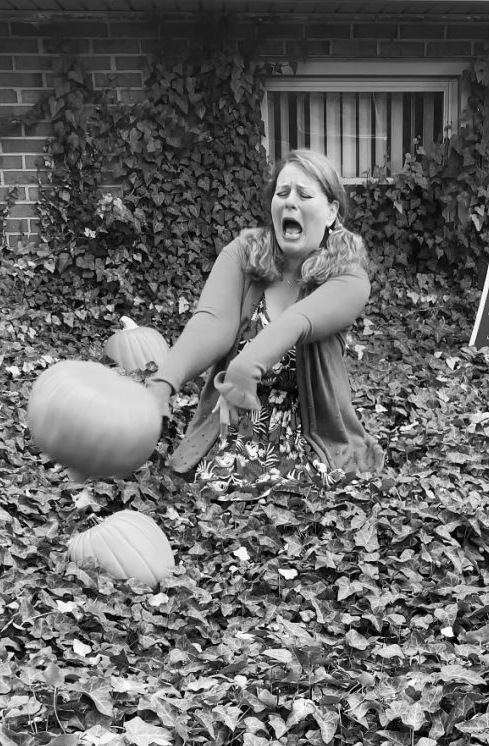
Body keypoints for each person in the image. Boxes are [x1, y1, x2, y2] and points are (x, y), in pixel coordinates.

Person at [148, 148, 384, 494]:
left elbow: (300, 320)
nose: (290, 202)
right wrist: (162, 383)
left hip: (309, 434)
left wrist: (247, 365)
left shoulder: (348, 275)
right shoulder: (243, 253)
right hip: (233, 425)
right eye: (282, 192)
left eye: (304, 194)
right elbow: (213, 322)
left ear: (331, 211)